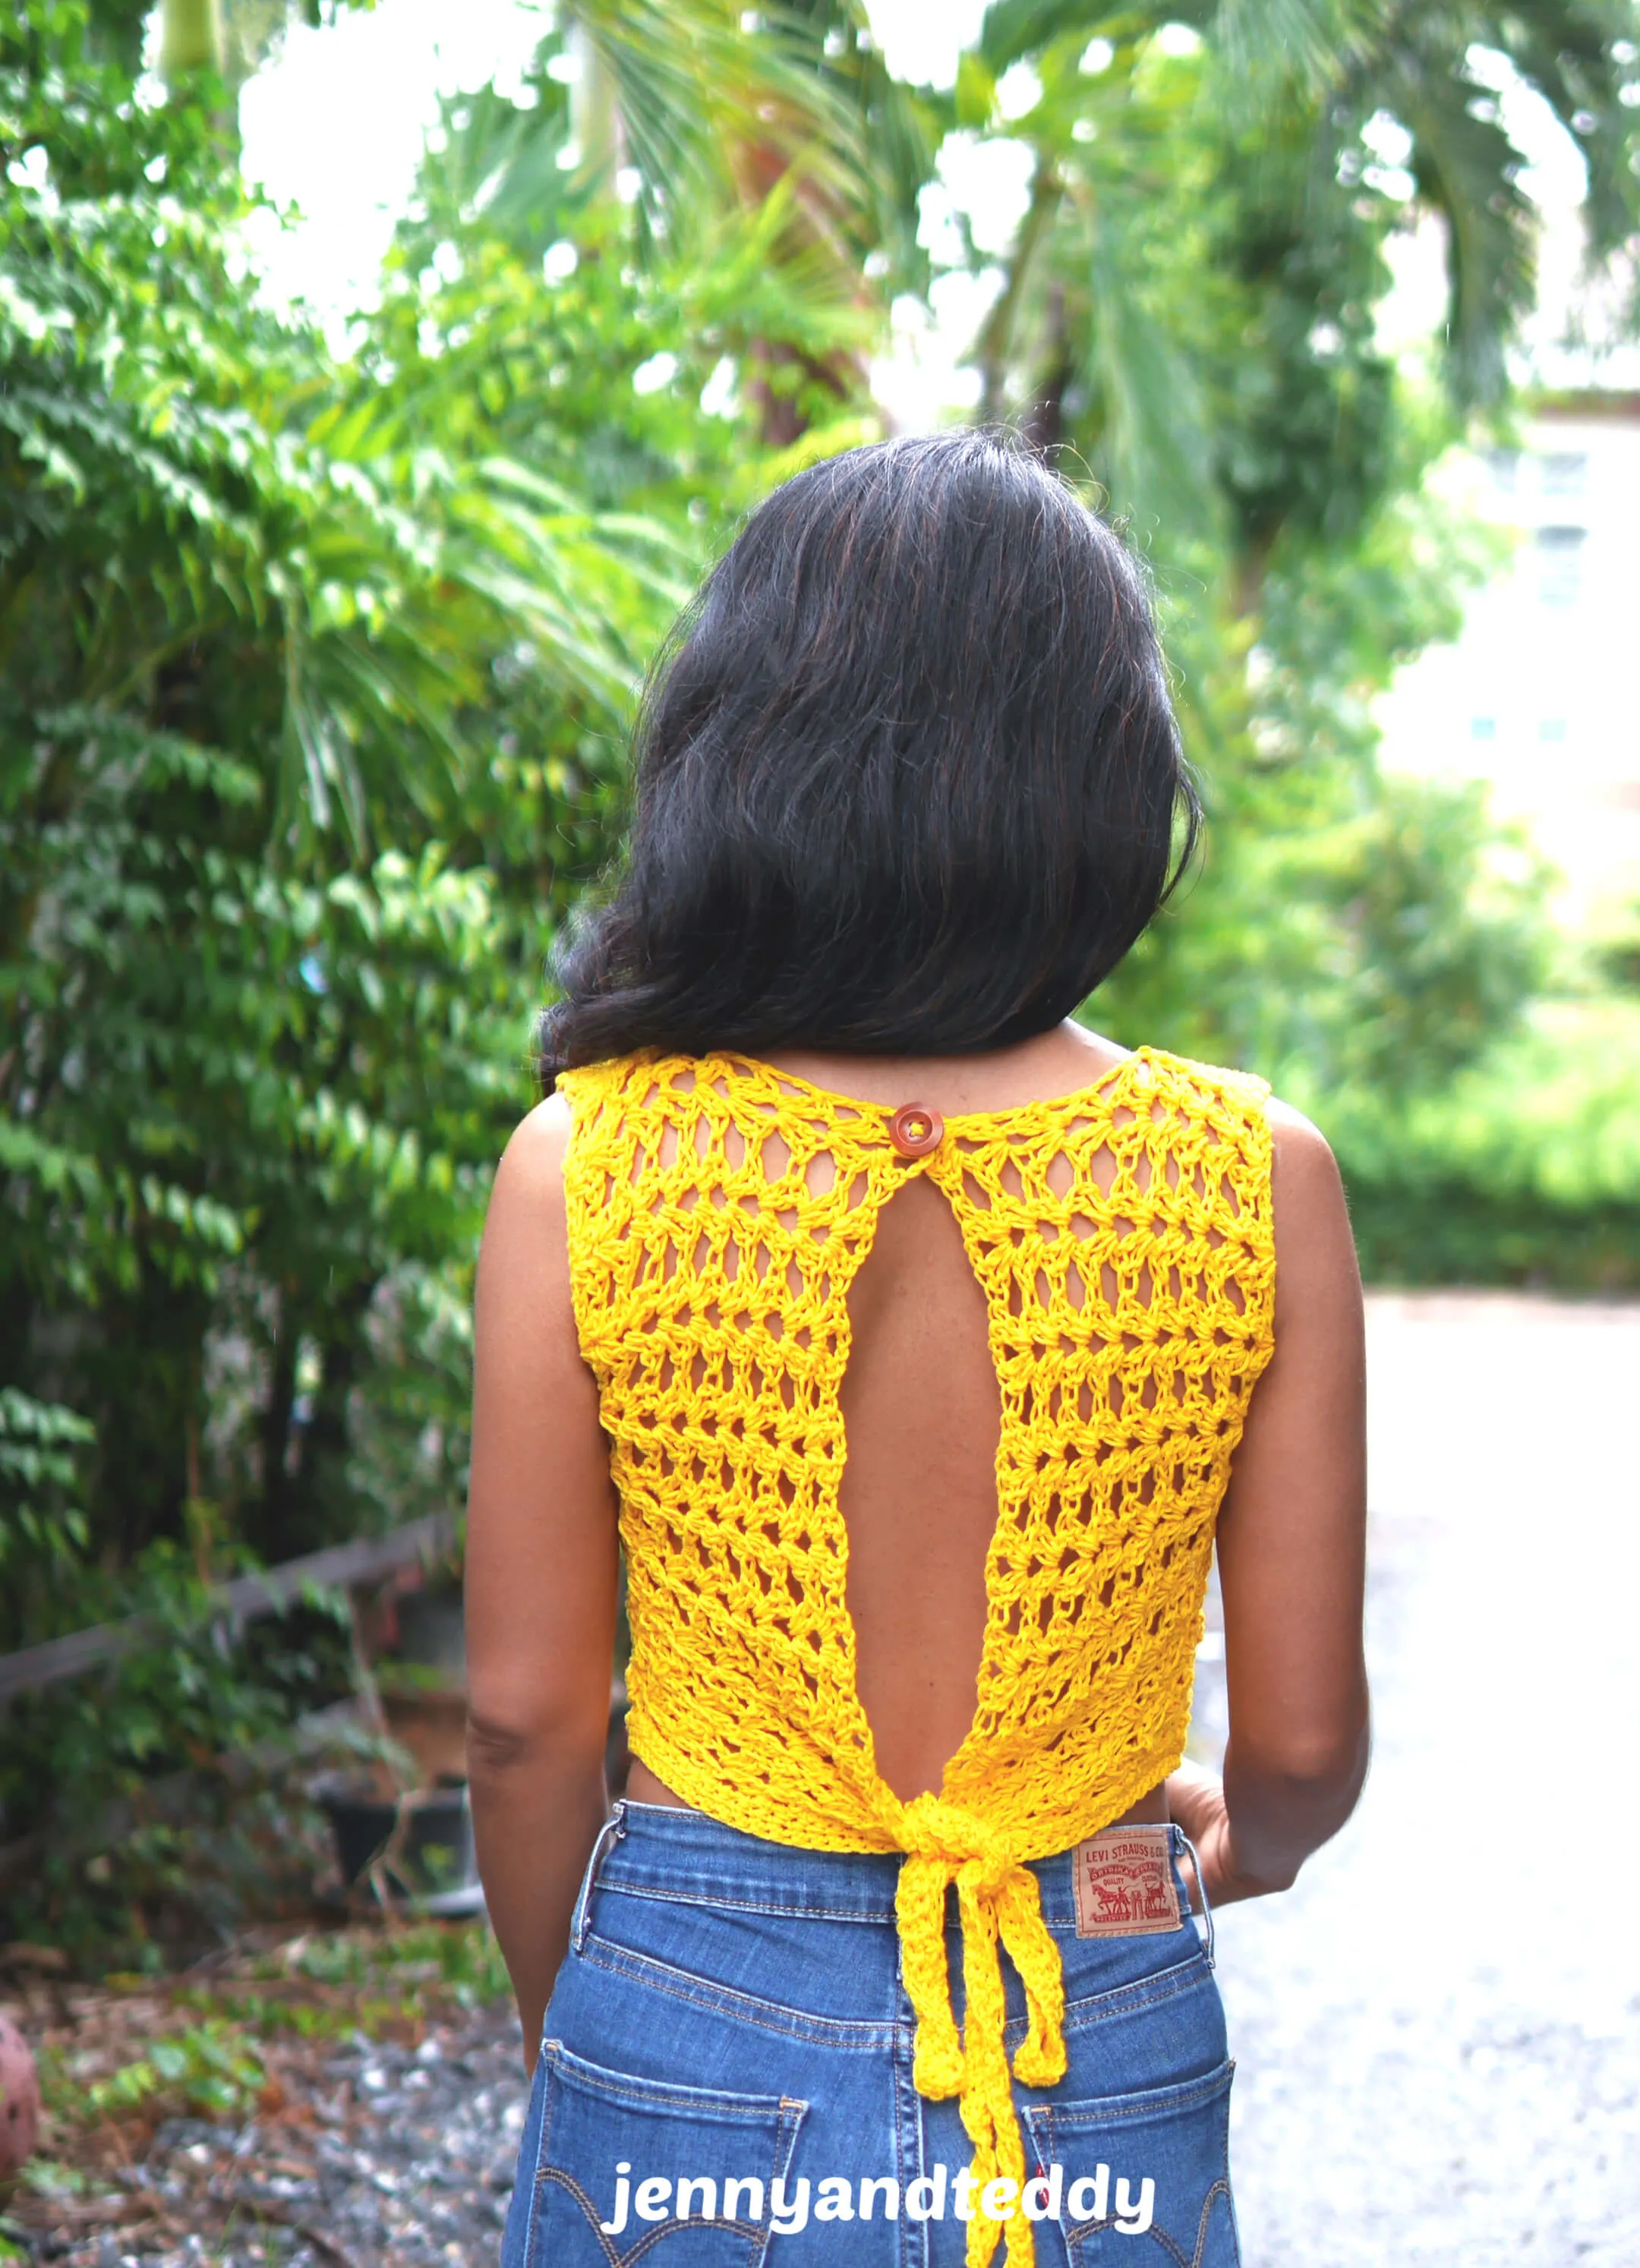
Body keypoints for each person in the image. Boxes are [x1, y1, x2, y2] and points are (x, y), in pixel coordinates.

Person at [465, 431, 1368, 2268]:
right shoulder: (1256, 1175)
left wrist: (596, 1998)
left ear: (743, 750)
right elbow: (1299, 1734)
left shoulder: (595, 1160)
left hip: (688, 1986)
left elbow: (523, 1712)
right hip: (1089, 1984)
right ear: (1103, 775)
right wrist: (1240, 1845)